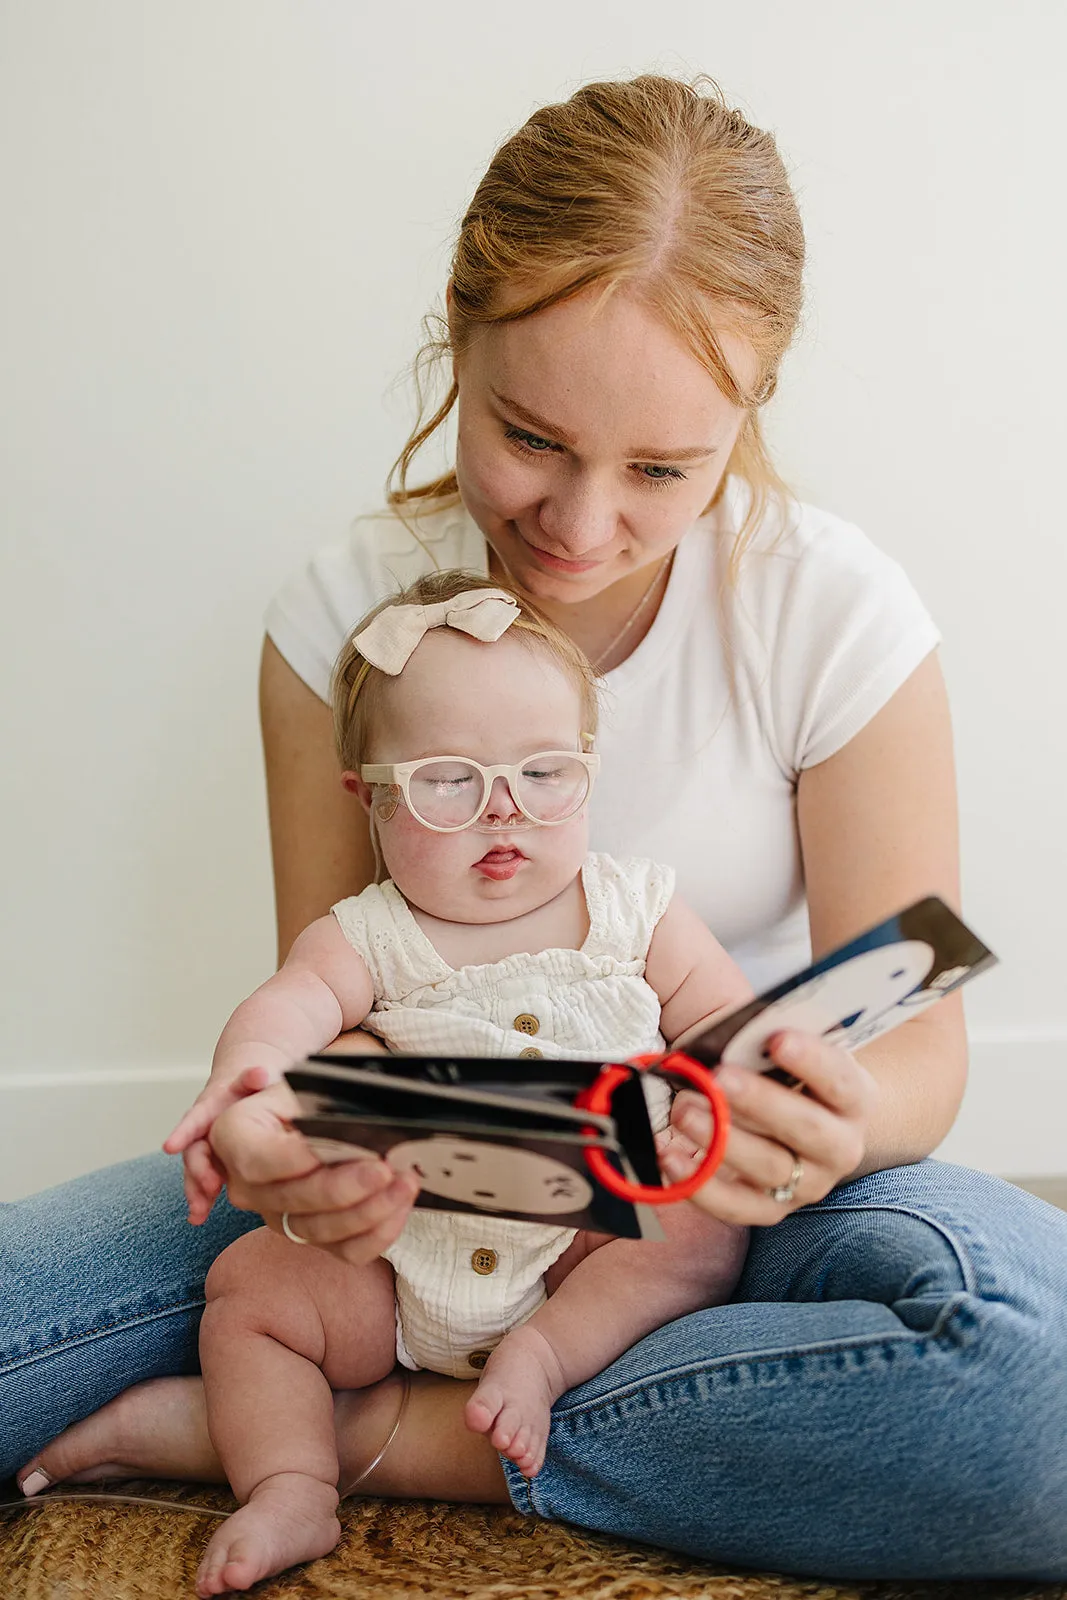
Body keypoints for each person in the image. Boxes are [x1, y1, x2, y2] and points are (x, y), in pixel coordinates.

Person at [6, 73, 1067, 1582]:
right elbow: (328, 1000)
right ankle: (434, 1397)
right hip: (401, 1216)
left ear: (742, 418)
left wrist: (829, 1119)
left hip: (721, 1199)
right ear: (458, 335)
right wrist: (291, 1136)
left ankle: (369, 1440)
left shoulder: (832, 614)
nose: (578, 523)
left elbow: (918, 1044)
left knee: (1036, 1386)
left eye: (657, 470)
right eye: (527, 436)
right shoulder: (343, 619)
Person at [178, 570, 751, 1595]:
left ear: (587, 770)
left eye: (543, 774)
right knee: (248, 1295)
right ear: (368, 796)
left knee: (700, 1226)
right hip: (398, 1259)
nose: (504, 814)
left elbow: (720, 1023)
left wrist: (707, 1097)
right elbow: (291, 1003)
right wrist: (247, 1075)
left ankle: (545, 1356)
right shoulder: (369, 932)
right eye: (448, 781)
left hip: (588, 1250)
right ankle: (290, 1483)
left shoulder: (635, 908)